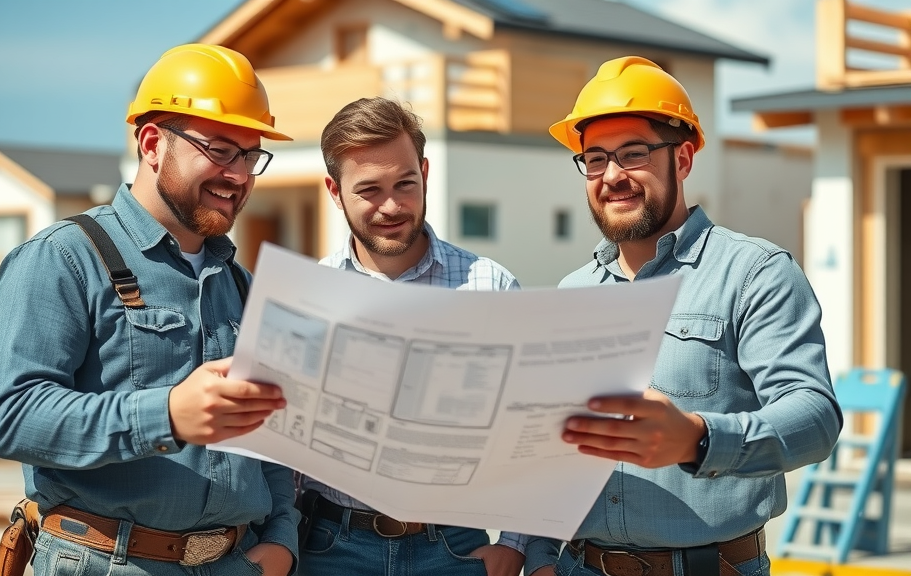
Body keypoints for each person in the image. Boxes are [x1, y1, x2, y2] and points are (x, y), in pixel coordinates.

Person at [0, 44, 300, 576]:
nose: (240, 175)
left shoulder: (241, 286)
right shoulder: (65, 257)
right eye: (221, 150)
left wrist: (282, 541)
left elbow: (266, 436)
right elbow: (14, 418)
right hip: (104, 562)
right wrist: (168, 413)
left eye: (251, 156)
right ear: (153, 143)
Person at [523, 56, 843, 576]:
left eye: (633, 154)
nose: (612, 176)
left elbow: (814, 418)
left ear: (685, 158)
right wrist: (539, 558)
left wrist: (698, 438)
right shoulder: (573, 291)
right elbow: (550, 449)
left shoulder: (755, 272)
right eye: (595, 159)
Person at [296, 97, 527, 576]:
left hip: (456, 549)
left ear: (425, 171)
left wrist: (516, 543)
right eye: (369, 190)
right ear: (334, 192)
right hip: (328, 547)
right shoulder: (304, 297)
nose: (392, 206)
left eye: (405, 183)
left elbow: (529, 429)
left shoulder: (491, 286)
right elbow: (283, 455)